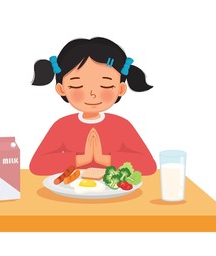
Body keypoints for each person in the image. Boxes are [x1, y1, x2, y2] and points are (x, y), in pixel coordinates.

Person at [29, 37, 156, 175]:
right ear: (61, 89)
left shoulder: (121, 126)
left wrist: (105, 159)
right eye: (76, 85)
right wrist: (81, 159)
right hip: (70, 190)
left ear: (120, 89)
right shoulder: (62, 126)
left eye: (105, 85)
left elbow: (148, 165)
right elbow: (37, 165)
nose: (92, 94)